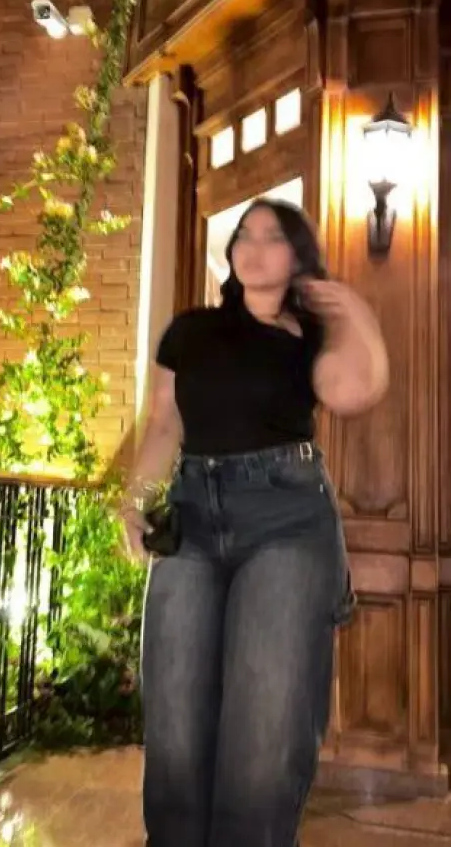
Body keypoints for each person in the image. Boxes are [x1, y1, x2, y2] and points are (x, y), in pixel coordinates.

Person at [119, 197, 389, 847]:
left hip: (286, 519)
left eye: (274, 236)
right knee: (175, 719)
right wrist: (134, 499)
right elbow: (164, 423)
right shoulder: (189, 331)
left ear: (297, 257)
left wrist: (352, 311)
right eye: (246, 233)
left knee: (267, 729)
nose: (255, 245)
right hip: (191, 516)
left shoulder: (308, 336)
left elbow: (353, 390)